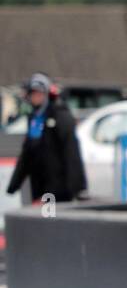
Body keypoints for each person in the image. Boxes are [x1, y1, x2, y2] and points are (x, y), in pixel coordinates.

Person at [5, 72, 87, 203]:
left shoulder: (60, 116)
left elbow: (71, 153)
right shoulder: (34, 119)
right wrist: (13, 185)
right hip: (39, 187)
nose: (36, 97)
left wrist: (78, 188)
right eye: (33, 94)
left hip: (59, 189)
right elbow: (27, 154)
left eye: (40, 94)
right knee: (42, 219)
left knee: (53, 220)